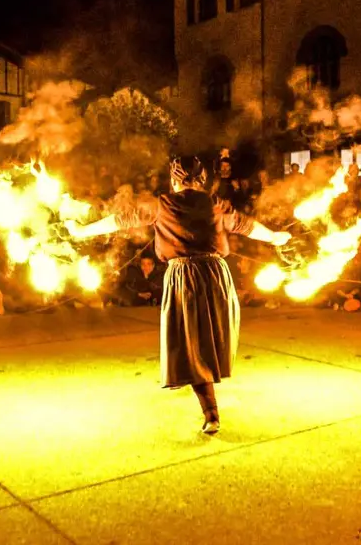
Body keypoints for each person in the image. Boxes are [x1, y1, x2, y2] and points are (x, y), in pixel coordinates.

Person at [66, 157, 290, 435]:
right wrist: (275, 237)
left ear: (174, 179)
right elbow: (245, 224)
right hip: (217, 275)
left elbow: (120, 221)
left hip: (186, 277)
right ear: (202, 180)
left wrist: (83, 231)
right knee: (202, 343)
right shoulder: (214, 203)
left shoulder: (164, 204)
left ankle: (211, 413)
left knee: (191, 344)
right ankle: (205, 393)